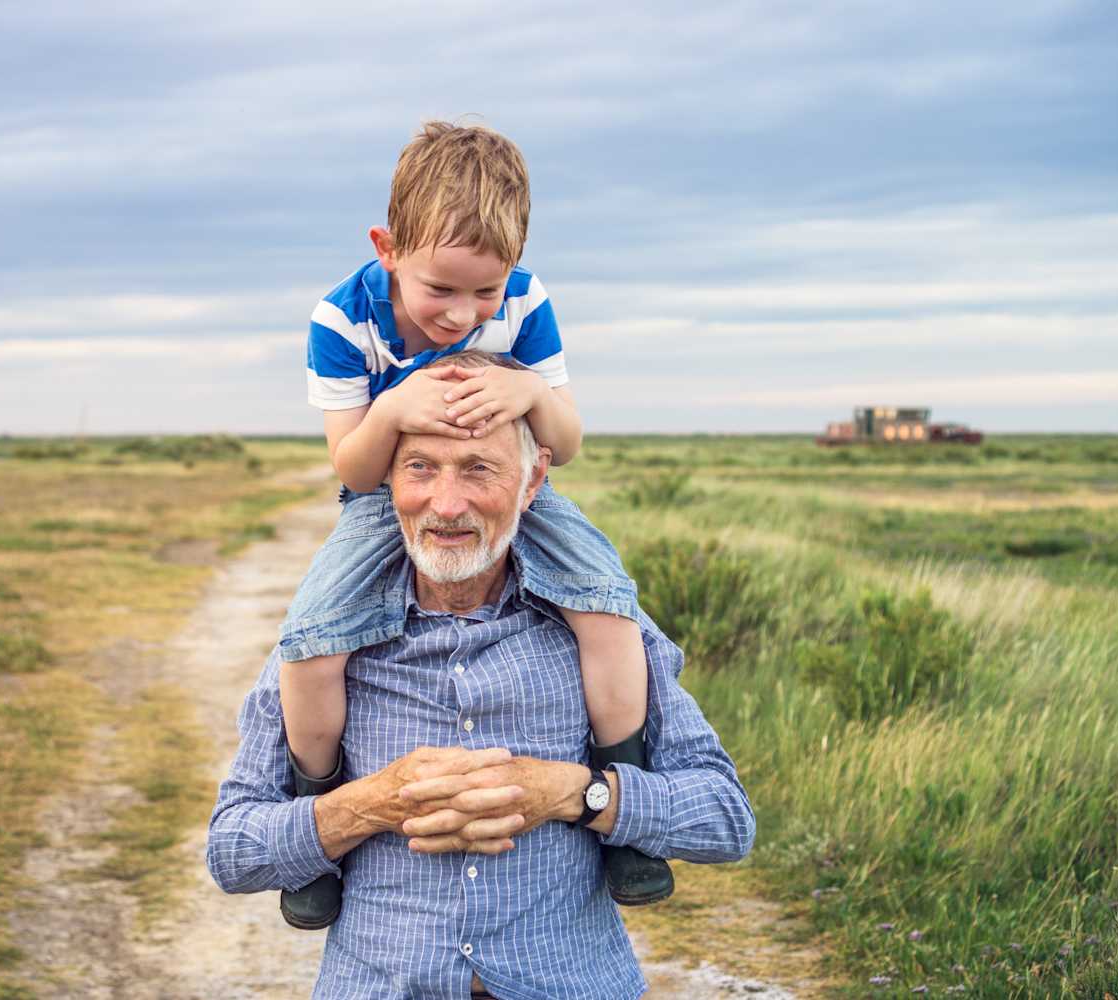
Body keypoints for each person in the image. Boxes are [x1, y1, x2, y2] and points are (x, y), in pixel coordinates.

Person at [207, 354, 756, 999]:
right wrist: (368, 805)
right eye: (420, 468)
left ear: (533, 479)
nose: (446, 504)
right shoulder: (323, 641)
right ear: (386, 479)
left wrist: (575, 795)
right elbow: (233, 850)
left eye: (479, 470)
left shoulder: (606, 628)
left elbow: (725, 819)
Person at [278, 119, 668, 930]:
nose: (464, 314)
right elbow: (350, 468)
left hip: (521, 485)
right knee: (313, 637)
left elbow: (567, 444)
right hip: (386, 498)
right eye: (441, 290)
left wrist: (530, 396)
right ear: (387, 248)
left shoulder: (527, 301)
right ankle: (316, 822)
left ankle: (626, 801)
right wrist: (394, 410)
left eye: (485, 291)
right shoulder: (341, 320)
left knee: (608, 604)